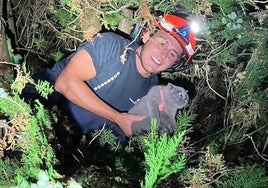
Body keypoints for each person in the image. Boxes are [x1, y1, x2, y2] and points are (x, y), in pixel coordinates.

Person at [22, 13, 197, 142]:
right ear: (147, 35)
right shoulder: (112, 46)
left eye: (173, 53)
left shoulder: (152, 90)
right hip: (41, 99)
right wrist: (118, 118)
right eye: (162, 42)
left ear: (174, 64)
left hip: (74, 134)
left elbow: (131, 128)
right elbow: (65, 83)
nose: (164, 54)